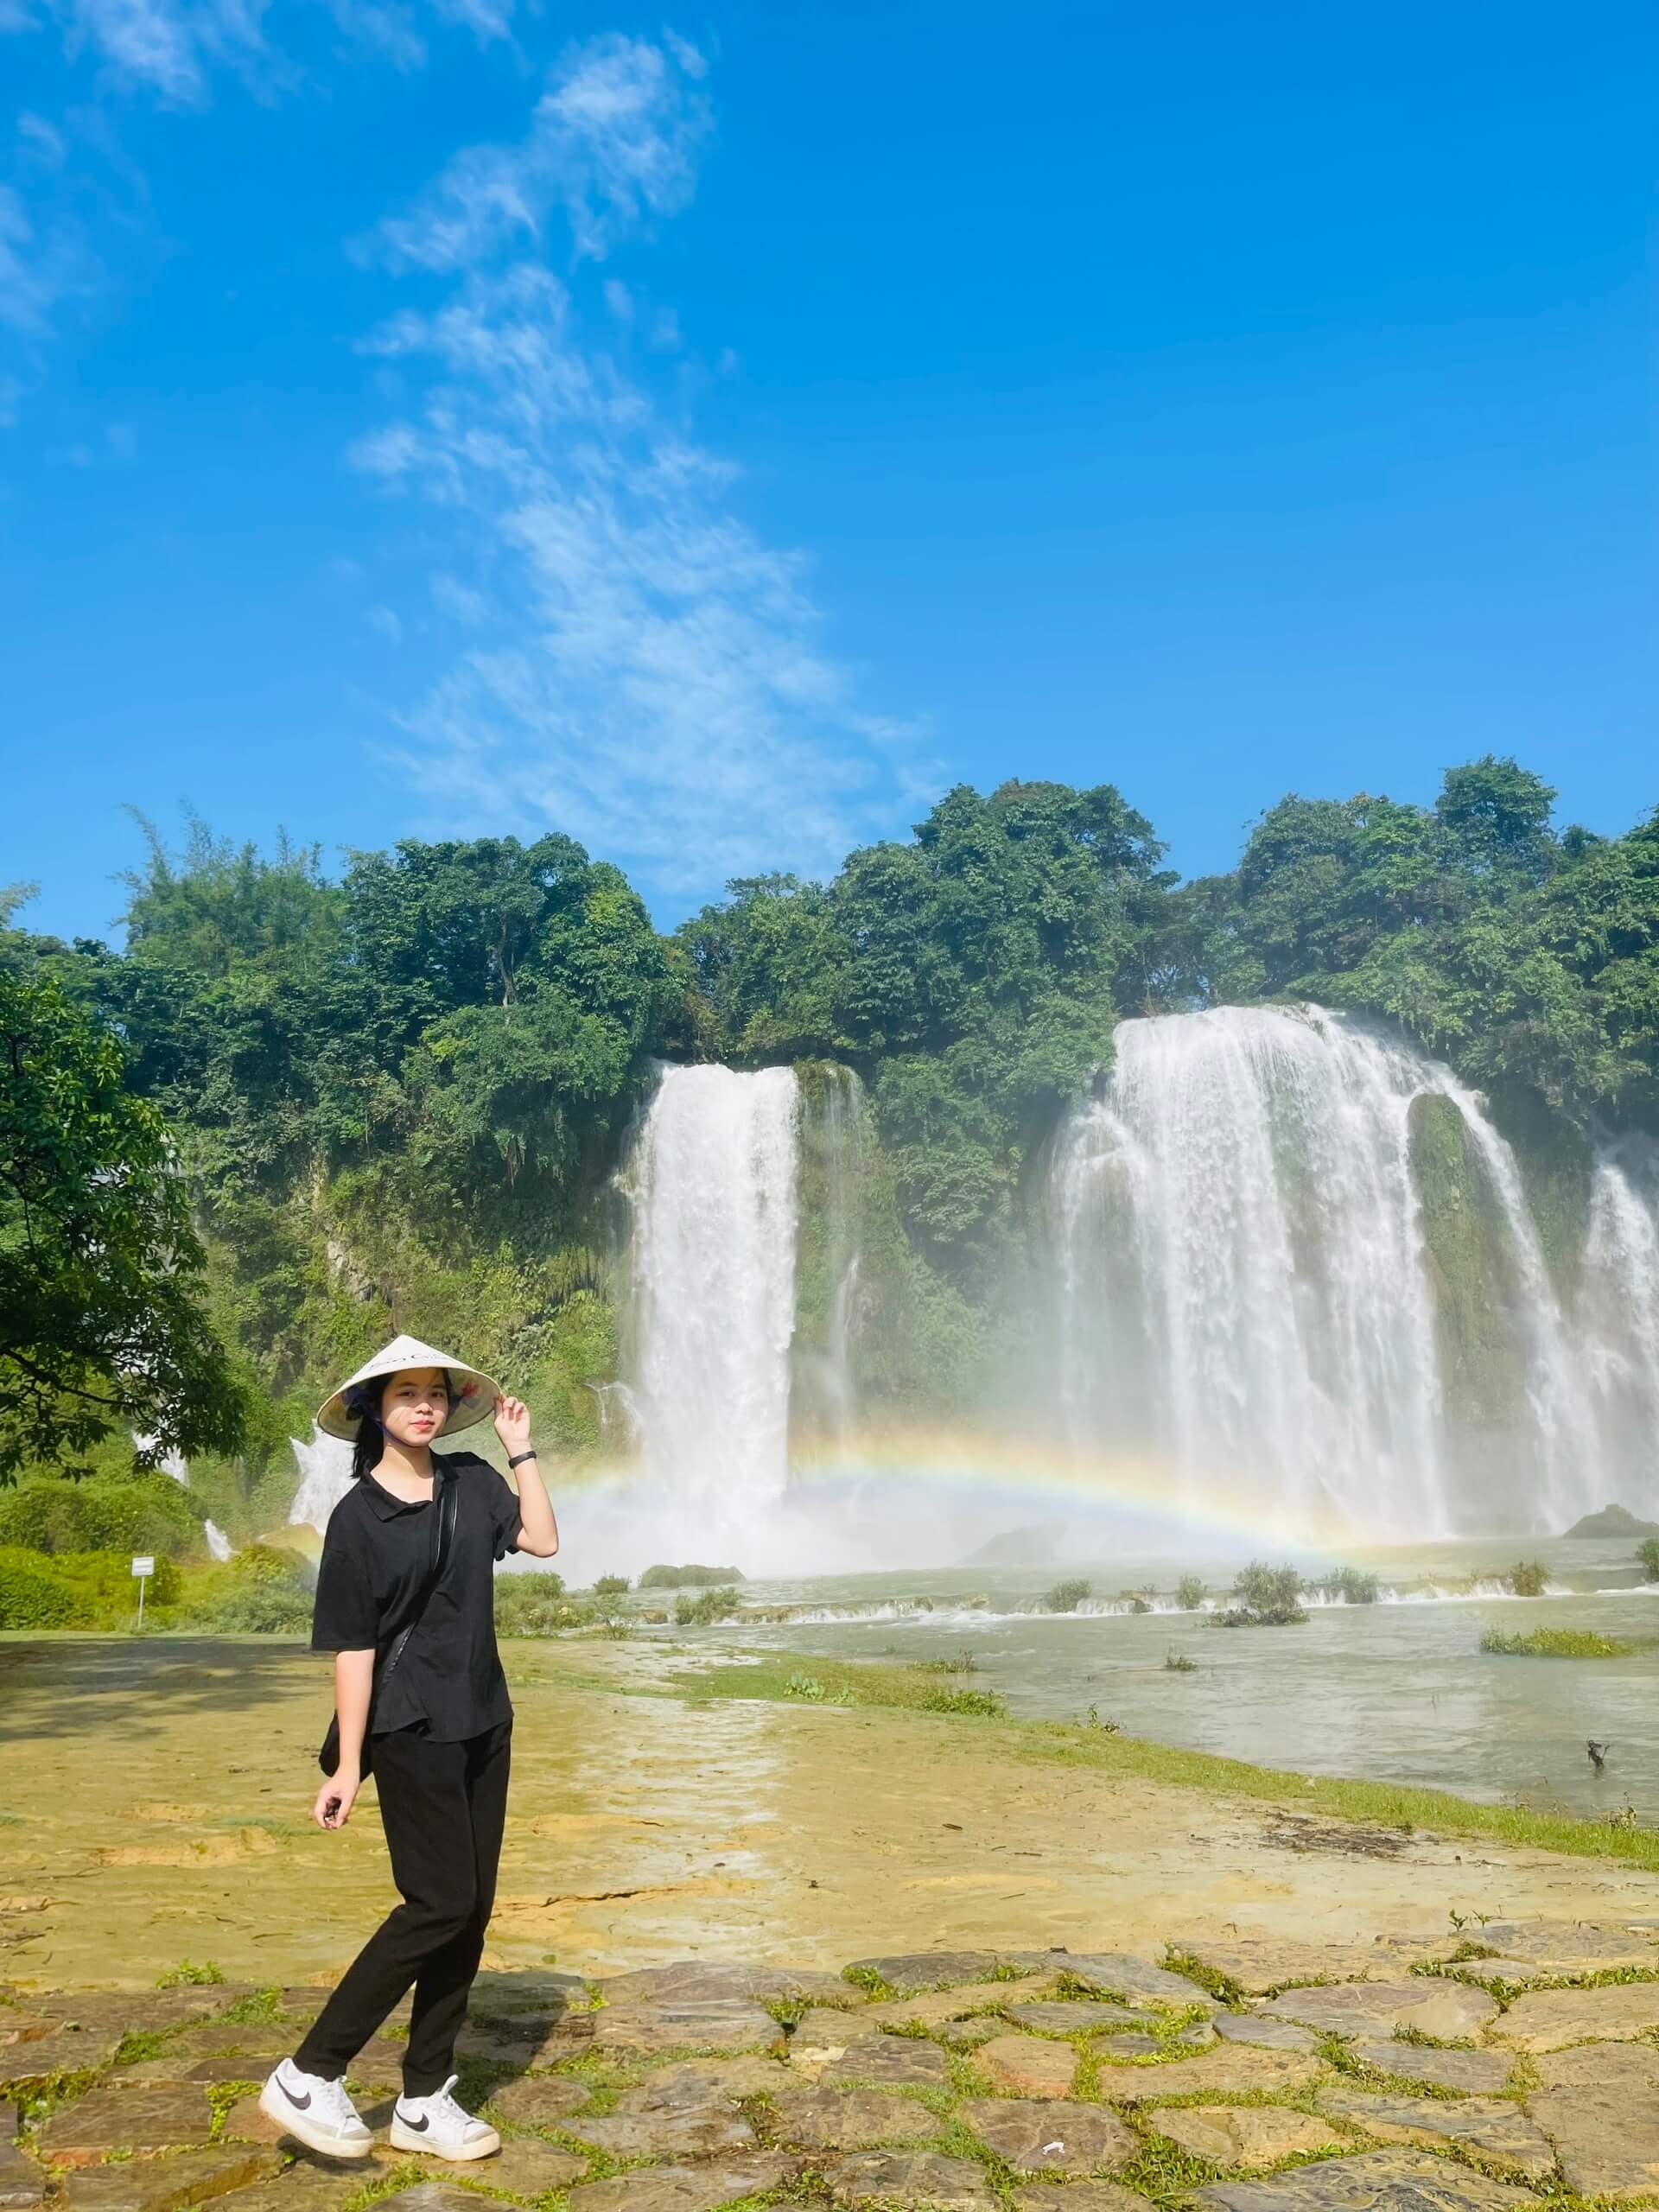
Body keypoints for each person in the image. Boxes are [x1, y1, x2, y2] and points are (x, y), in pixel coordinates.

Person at [258, 1334, 559, 2163]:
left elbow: (541, 1539)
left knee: (470, 1911)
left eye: (435, 1392)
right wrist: (349, 1764)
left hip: (483, 1718)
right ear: (373, 1412)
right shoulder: (357, 1518)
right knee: (438, 1902)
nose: (424, 1404)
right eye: (405, 1394)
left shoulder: (472, 1482)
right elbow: (354, 1647)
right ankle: (310, 2070)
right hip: (409, 1727)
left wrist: (520, 1448)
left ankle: (425, 2097)